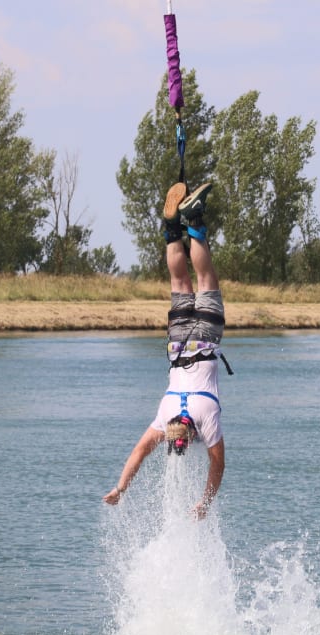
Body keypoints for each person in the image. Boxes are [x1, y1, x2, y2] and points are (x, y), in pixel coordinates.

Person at [103, 181, 229, 520]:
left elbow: (218, 465)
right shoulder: (165, 413)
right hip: (177, 343)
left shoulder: (206, 420)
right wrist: (120, 487)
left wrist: (205, 502)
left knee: (204, 280)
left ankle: (195, 221)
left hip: (204, 338)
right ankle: (173, 228)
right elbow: (140, 451)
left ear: (189, 436)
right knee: (180, 284)